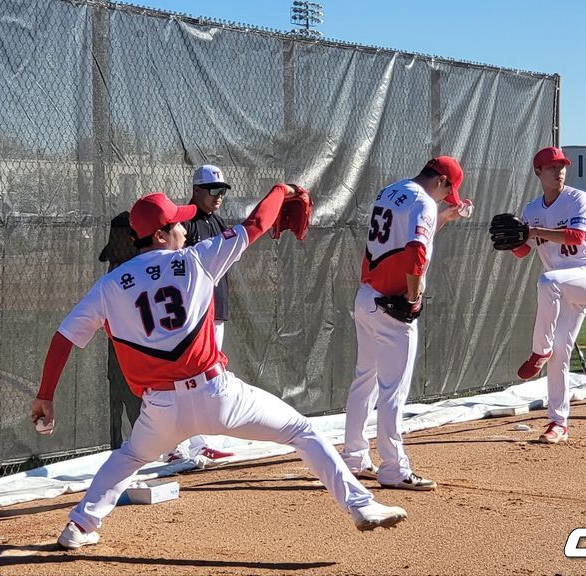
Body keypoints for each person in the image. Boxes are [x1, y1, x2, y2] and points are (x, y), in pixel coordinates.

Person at [31, 185, 407, 550]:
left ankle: (80, 525)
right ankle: (361, 506)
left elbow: (63, 337)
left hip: (161, 410)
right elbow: (257, 224)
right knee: (302, 432)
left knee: (129, 457)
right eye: (177, 224)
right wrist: (281, 190)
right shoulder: (197, 258)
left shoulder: (109, 286)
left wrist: (46, 396)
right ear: (160, 235)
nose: (184, 228)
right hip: (217, 394)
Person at [342, 156, 473, 490]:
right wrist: (413, 299)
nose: (447, 198)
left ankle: (354, 458)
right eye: (448, 192)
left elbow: (405, 237)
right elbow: (415, 253)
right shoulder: (423, 202)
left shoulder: (392, 191)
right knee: (392, 392)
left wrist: (444, 217)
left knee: (364, 382)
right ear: (441, 180)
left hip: (367, 296)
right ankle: (393, 468)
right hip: (392, 305)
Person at [494, 146, 586, 444]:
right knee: (561, 351)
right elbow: (523, 251)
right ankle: (558, 423)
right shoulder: (533, 209)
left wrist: (531, 231)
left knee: (547, 282)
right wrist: (510, 240)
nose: (558, 171)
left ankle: (538, 351)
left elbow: (576, 237)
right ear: (538, 172)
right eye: (551, 167)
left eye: (562, 166)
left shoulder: (577, 199)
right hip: (566, 285)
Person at [165, 164, 237, 463]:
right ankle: (173, 446)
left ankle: (200, 444)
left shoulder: (220, 224)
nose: (218, 196)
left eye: (221, 190)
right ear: (196, 190)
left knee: (205, 380)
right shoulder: (186, 223)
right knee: (183, 379)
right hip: (193, 315)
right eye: (212, 190)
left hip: (215, 309)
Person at [97, 211, 142, 449]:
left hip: (129, 343)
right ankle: (123, 447)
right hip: (124, 344)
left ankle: (137, 446)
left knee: (129, 395)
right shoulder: (121, 266)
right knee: (121, 393)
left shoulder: (134, 263)